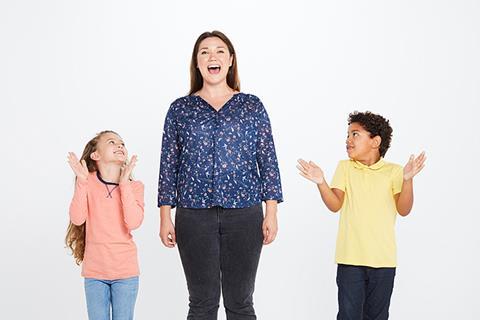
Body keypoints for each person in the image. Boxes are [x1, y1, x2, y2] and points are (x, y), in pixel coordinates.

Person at [158, 30, 283, 320]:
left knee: (240, 303)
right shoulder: (180, 109)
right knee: (202, 303)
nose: (212, 56)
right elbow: (168, 165)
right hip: (193, 214)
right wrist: (165, 215)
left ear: (230, 60)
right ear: (197, 63)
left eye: (219, 51)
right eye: (204, 52)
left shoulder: (251, 106)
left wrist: (271, 211)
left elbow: (267, 159)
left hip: (245, 214)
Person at [297, 111, 426, 320]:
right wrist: (321, 182)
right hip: (350, 260)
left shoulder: (394, 171)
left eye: (355, 134)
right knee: (348, 315)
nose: (348, 140)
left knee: (377, 316)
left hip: (383, 261)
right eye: (347, 135)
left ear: (375, 141)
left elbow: (404, 209)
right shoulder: (345, 168)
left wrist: (408, 179)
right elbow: (335, 204)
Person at [66, 130, 144, 320]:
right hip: (95, 272)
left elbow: (133, 222)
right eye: (112, 142)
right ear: (96, 155)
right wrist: (81, 182)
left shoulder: (135, 187)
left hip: (125, 272)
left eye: (122, 143)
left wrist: (124, 185)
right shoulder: (88, 182)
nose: (120, 145)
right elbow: (77, 219)